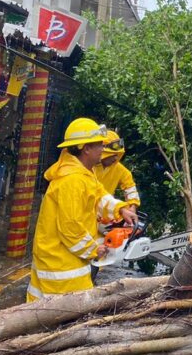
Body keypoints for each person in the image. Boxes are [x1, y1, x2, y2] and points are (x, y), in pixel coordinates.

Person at [27, 118, 133, 303]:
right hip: (60, 263)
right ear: (86, 149)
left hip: (64, 258)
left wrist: (120, 209)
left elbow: (99, 196)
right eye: (100, 144)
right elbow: (71, 226)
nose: (103, 148)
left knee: (43, 313)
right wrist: (93, 249)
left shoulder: (83, 172)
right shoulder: (72, 181)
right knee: (60, 313)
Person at [93, 130, 140, 214]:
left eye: (117, 155)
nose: (115, 158)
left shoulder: (118, 168)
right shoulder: (88, 167)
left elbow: (130, 187)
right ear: (103, 152)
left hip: (106, 213)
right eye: (113, 155)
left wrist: (132, 206)